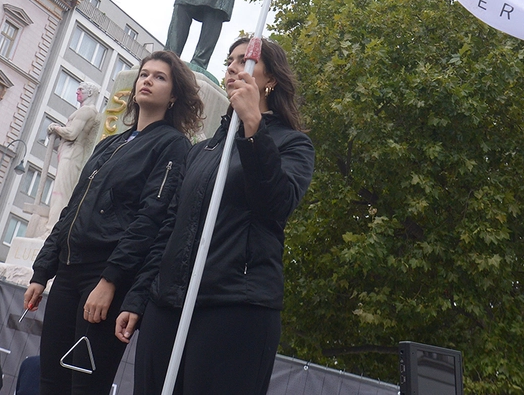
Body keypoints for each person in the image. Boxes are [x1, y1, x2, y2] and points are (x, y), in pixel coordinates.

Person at [116, 38, 315, 395]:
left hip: (234, 307)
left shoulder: (293, 145)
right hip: (169, 304)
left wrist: (254, 127)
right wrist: (139, 296)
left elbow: (276, 204)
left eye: (246, 61)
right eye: (230, 61)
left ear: (269, 79)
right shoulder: (202, 150)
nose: (234, 67)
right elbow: (169, 228)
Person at [23, 50, 203, 395]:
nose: (147, 80)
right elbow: (73, 209)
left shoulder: (172, 146)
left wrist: (110, 281)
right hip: (67, 273)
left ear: (175, 94)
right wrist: (42, 271)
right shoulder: (109, 145)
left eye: (159, 77)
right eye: (144, 74)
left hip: (105, 277)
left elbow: (150, 220)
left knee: (86, 386)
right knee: (50, 383)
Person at [39, 82, 103, 236]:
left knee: (61, 194)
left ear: (90, 93)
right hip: (69, 152)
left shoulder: (86, 111)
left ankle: (51, 231)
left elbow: (71, 133)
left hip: (72, 154)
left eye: (81, 89)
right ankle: (52, 229)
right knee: (59, 192)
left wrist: (55, 128)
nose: (77, 92)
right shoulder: (86, 111)